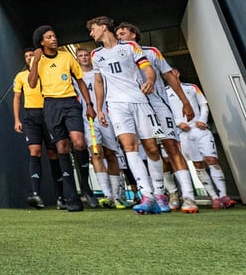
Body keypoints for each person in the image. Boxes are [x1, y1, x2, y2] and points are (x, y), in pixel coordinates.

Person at [114, 22, 198, 213]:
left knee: (171, 147)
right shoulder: (117, 56)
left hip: (159, 106)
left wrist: (185, 101)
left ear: (134, 35)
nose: (119, 36)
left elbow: (169, 76)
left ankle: (189, 196)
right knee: (151, 150)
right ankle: (167, 193)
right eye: (117, 34)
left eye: (123, 32)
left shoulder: (151, 52)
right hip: (138, 108)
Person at [88, 16, 167, 215]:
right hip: (116, 105)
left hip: (140, 101)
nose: (91, 33)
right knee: (129, 148)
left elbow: (147, 68)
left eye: (93, 29)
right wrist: (99, 109)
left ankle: (160, 193)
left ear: (103, 27)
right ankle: (146, 195)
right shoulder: (95, 55)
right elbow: (98, 83)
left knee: (151, 148)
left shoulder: (131, 46)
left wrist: (149, 79)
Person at [27, 26, 94, 211]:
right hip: (51, 105)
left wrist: (89, 105)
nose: (53, 39)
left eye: (54, 36)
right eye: (49, 37)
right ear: (41, 42)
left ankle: (86, 187)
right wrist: (36, 61)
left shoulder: (66, 56)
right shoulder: (37, 60)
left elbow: (80, 80)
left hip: (70, 102)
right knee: (61, 147)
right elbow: (32, 83)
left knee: (79, 142)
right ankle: (72, 197)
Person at [167, 69, 236, 209]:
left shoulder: (192, 87)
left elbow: (203, 104)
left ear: (177, 73)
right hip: (183, 133)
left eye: (172, 72)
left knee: (211, 160)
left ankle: (223, 195)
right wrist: (178, 123)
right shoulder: (164, 92)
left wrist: (202, 120)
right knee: (198, 165)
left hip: (200, 129)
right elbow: (165, 112)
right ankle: (214, 197)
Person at [13, 48, 64, 209]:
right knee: (34, 151)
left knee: (52, 153)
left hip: (48, 113)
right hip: (31, 116)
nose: (29, 58)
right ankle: (36, 195)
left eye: (31, 55)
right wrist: (16, 119)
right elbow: (17, 97)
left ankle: (61, 197)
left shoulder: (46, 71)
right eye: (26, 56)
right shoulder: (21, 76)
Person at [75, 46, 125, 209]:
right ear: (77, 59)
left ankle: (117, 195)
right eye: (80, 56)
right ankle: (107, 195)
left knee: (111, 154)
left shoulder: (100, 73)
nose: (83, 57)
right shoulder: (75, 77)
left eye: (86, 55)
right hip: (87, 118)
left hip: (105, 115)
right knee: (96, 153)